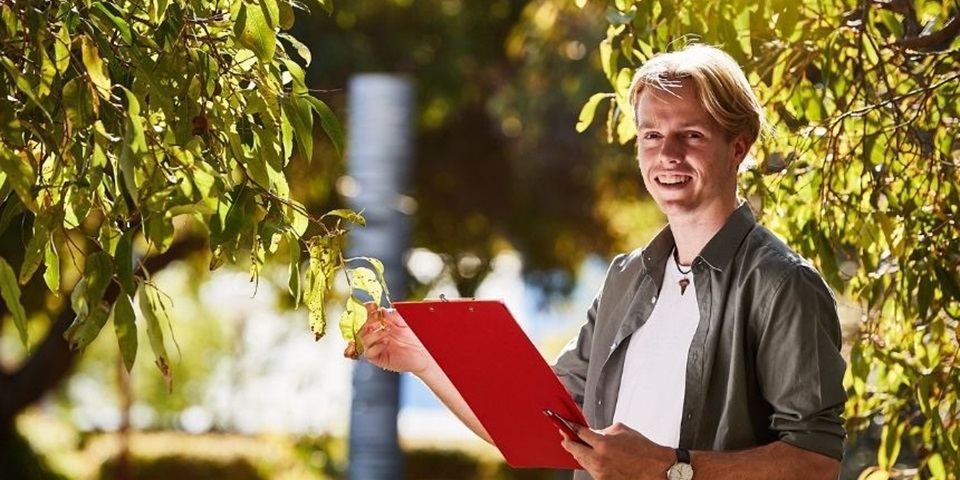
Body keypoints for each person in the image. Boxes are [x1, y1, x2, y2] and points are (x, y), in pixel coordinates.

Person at [358, 44, 847, 480]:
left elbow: (815, 462)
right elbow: (542, 425)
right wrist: (426, 361)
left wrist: (669, 468)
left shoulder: (782, 284)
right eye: (651, 135)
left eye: (692, 135)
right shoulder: (626, 277)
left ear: (738, 146)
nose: (667, 154)